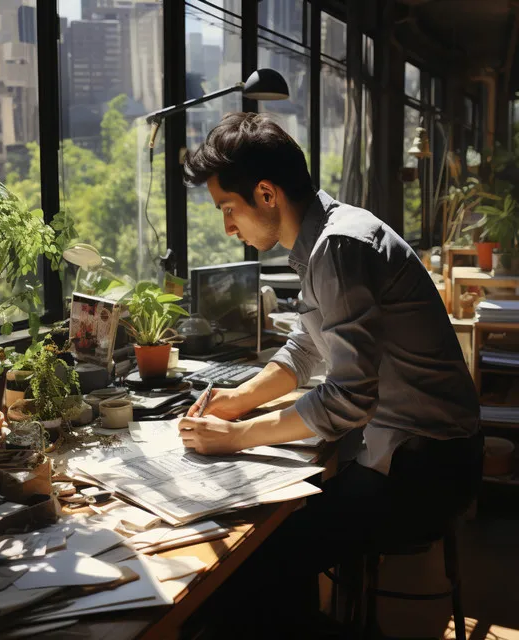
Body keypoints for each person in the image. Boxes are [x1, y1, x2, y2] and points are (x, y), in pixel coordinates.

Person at [179, 112, 482, 636]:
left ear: (267, 194)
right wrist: (238, 400)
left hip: (428, 469)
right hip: (418, 452)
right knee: (273, 535)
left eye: (229, 209)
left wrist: (237, 439)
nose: (228, 227)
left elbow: (349, 399)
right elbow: (305, 348)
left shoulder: (339, 247)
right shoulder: (323, 238)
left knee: (260, 550)